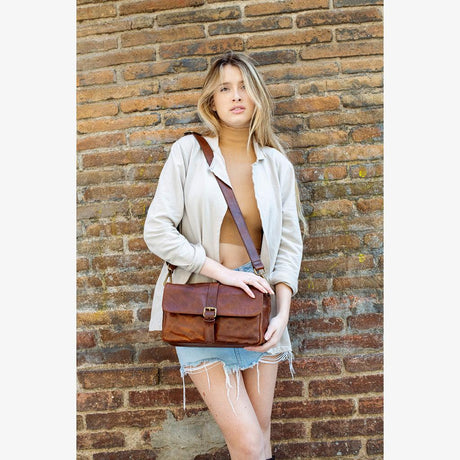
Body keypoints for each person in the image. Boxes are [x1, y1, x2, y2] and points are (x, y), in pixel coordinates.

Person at [144, 50, 305, 460]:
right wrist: (223, 273)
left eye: (244, 87)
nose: (236, 96)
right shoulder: (187, 152)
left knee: (259, 439)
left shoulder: (278, 166)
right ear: (211, 101)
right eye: (225, 89)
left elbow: (289, 246)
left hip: (259, 310)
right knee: (249, 441)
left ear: (257, 96)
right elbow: (157, 231)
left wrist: (283, 313)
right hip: (200, 304)